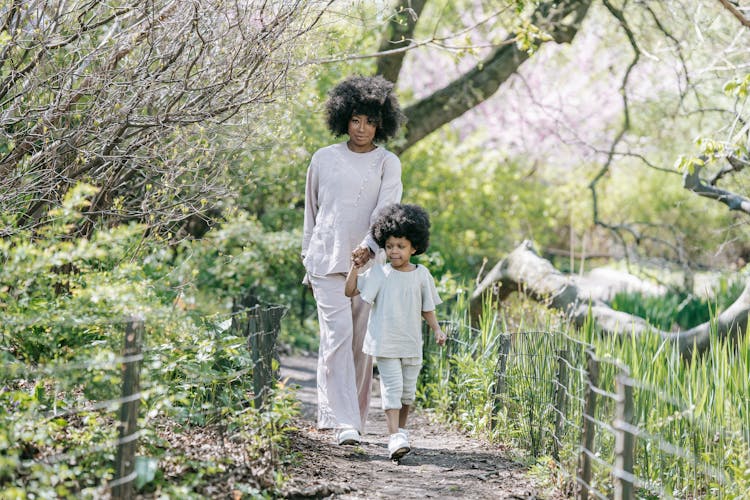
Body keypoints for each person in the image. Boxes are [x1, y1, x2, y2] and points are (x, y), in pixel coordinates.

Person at [301, 75, 405, 446]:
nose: (362, 129)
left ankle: (354, 421)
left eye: (370, 122)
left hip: (369, 265)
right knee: (337, 336)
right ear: (343, 118)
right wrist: (306, 257)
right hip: (325, 261)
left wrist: (368, 247)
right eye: (356, 120)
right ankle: (340, 419)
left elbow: (386, 209)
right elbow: (311, 214)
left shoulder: (386, 163)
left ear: (381, 124)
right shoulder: (323, 158)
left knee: (361, 345)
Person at [344, 203, 447, 460]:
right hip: (384, 342)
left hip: (411, 343)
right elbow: (350, 291)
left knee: (407, 392)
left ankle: (401, 432)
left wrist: (437, 329)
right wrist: (354, 268)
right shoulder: (379, 273)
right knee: (391, 388)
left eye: (400, 246)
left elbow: (428, 308)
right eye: (389, 246)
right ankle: (394, 437)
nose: (394, 251)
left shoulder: (422, 275)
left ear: (414, 247)